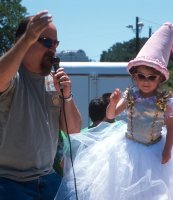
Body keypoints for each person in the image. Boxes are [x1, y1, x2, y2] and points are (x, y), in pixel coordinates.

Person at [55, 23, 173, 200]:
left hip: (156, 148)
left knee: (157, 192)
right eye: (141, 76)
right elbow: (110, 115)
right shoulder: (131, 95)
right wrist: (113, 103)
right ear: (134, 76)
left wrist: (167, 150)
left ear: (160, 78)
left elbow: (171, 128)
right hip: (128, 148)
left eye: (151, 77)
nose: (146, 81)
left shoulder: (165, 101)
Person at [0, 11, 81, 200]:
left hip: (48, 178)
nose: (53, 48)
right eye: (46, 41)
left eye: (56, 43)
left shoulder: (53, 81)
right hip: (8, 182)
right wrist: (27, 38)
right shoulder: (13, 75)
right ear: (25, 41)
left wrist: (67, 96)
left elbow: (74, 129)